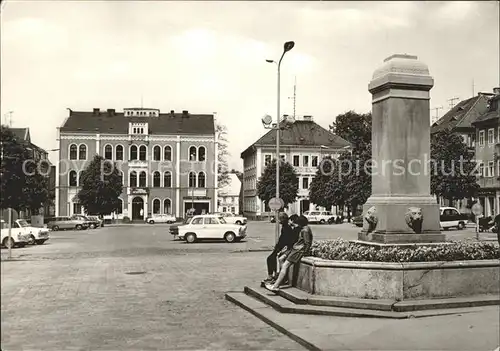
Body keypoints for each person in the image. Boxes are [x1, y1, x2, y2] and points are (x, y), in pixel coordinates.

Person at [265, 215, 313, 292]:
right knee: (282, 262)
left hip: (298, 251)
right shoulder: (304, 229)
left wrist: (305, 252)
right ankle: (280, 281)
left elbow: (307, 243)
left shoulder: (305, 230)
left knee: (285, 266)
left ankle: (276, 285)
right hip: (295, 249)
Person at [262, 213, 299, 284]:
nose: (278, 220)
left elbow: (287, 240)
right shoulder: (285, 227)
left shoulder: (287, 228)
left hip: (282, 247)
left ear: (283, 219)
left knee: (270, 258)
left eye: (280, 219)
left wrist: (282, 249)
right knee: (272, 259)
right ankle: (274, 275)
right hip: (279, 247)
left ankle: (272, 276)